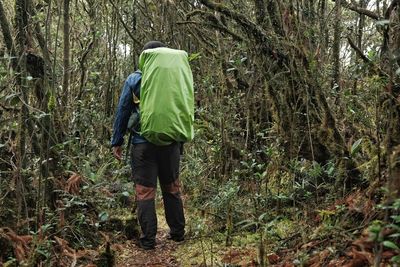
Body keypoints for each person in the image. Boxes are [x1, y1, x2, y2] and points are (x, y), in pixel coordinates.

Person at [111, 41, 186, 250]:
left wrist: (116, 141)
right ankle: (178, 233)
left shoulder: (135, 79)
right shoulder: (176, 78)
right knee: (172, 188)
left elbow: (123, 110)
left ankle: (148, 240)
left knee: (145, 192)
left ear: (144, 58)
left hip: (142, 144)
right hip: (170, 142)